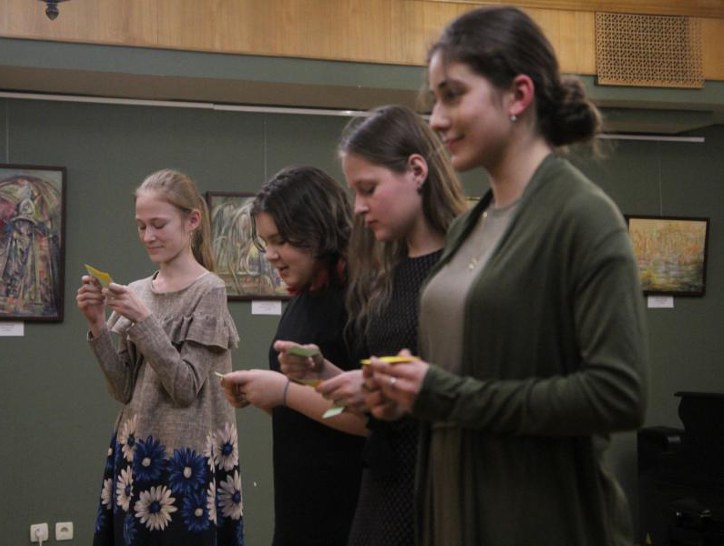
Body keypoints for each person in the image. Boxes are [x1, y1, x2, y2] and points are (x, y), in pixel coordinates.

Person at [364, 7, 649, 546]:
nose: (436, 120)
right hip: (453, 516)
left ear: (518, 95)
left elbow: (619, 394)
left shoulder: (583, 218)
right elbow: (461, 377)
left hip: (540, 521)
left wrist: (447, 395)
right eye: (435, 100)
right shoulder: (469, 225)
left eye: (452, 95)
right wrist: (404, 394)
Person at [278, 105, 467, 546]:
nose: (359, 208)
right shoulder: (387, 276)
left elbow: (473, 388)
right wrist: (327, 375)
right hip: (384, 485)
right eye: (354, 192)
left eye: (368, 189)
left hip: (442, 488)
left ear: (417, 171)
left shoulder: (466, 267)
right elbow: (388, 398)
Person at [76, 169, 244, 546]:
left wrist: (144, 321)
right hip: (136, 455)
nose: (148, 236)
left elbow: (185, 387)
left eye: (158, 224)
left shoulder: (209, 290)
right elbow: (122, 389)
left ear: (192, 221)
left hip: (186, 462)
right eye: (141, 226)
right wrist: (98, 325)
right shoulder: (139, 290)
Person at [221, 166, 366, 546]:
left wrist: (283, 392)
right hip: (299, 510)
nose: (271, 255)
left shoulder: (359, 300)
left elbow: (369, 421)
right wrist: (264, 394)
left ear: (317, 230)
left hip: (346, 513)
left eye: (281, 240)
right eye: (265, 242)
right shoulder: (303, 298)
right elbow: (312, 411)